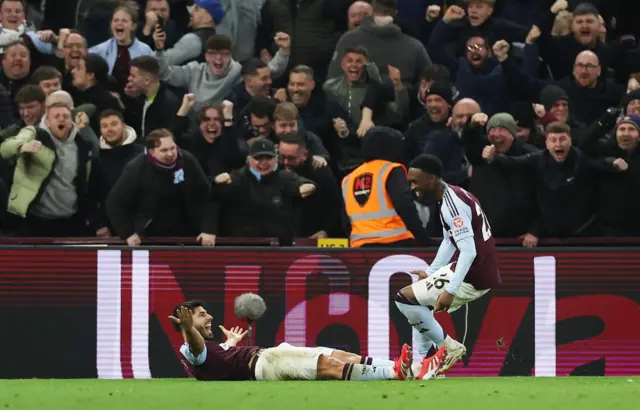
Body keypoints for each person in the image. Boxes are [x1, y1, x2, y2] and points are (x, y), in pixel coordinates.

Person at [395, 154, 502, 374]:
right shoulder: (452, 196)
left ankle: (448, 348)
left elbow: (469, 251)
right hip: (480, 268)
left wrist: (451, 290)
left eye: (415, 181)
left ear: (431, 179)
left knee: (404, 299)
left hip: (475, 271)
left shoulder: (452, 204)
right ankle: (424, 363)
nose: (413, 187)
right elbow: (448, 241)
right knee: (418, 302)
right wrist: (431, 271)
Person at [170, 300, 448, 381]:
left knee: (340, 355)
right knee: (327, 364)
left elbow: (214, 361)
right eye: (201, 315)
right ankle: (396, 372)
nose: (209, 318)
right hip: (265, 364)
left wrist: (230, 344)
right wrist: (187, 329)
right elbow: (196, 348)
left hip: (269, 355)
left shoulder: (208, 351)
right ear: (185, 322)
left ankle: (415, 370)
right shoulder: (191, 348)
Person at [342, 126, 432, 247]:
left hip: (360, 247)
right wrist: (423, 239)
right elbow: (405, 205)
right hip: (395, 243)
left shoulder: (349, 179)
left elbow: (345, 220)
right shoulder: (390, 169)